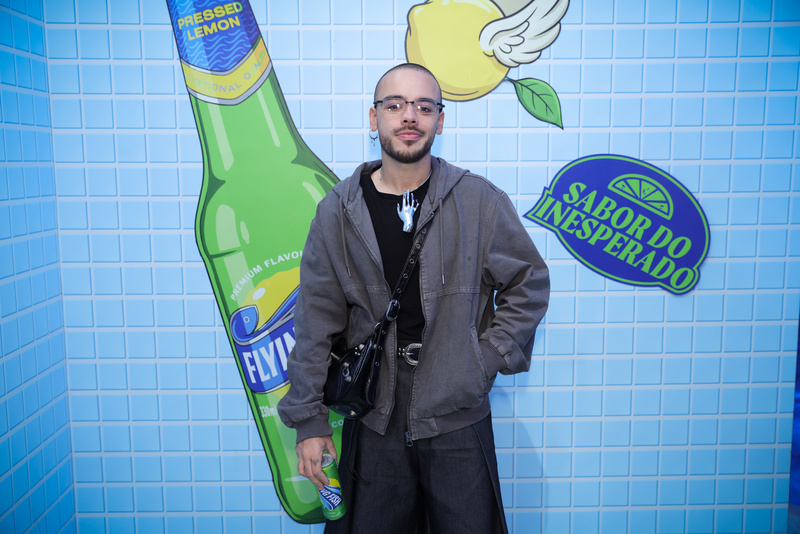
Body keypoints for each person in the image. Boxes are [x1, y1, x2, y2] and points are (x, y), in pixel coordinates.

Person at [277, 63, 550, 533]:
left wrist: (481, 359)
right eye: (395, 105)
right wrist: (310, 421)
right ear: (374, 117)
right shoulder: (337, 212)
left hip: (456, 411)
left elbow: (529, 283)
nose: (410, 116)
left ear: (439, 121)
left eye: (424, 107)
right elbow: (315, 321)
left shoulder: (479, 201)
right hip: (374, 412)